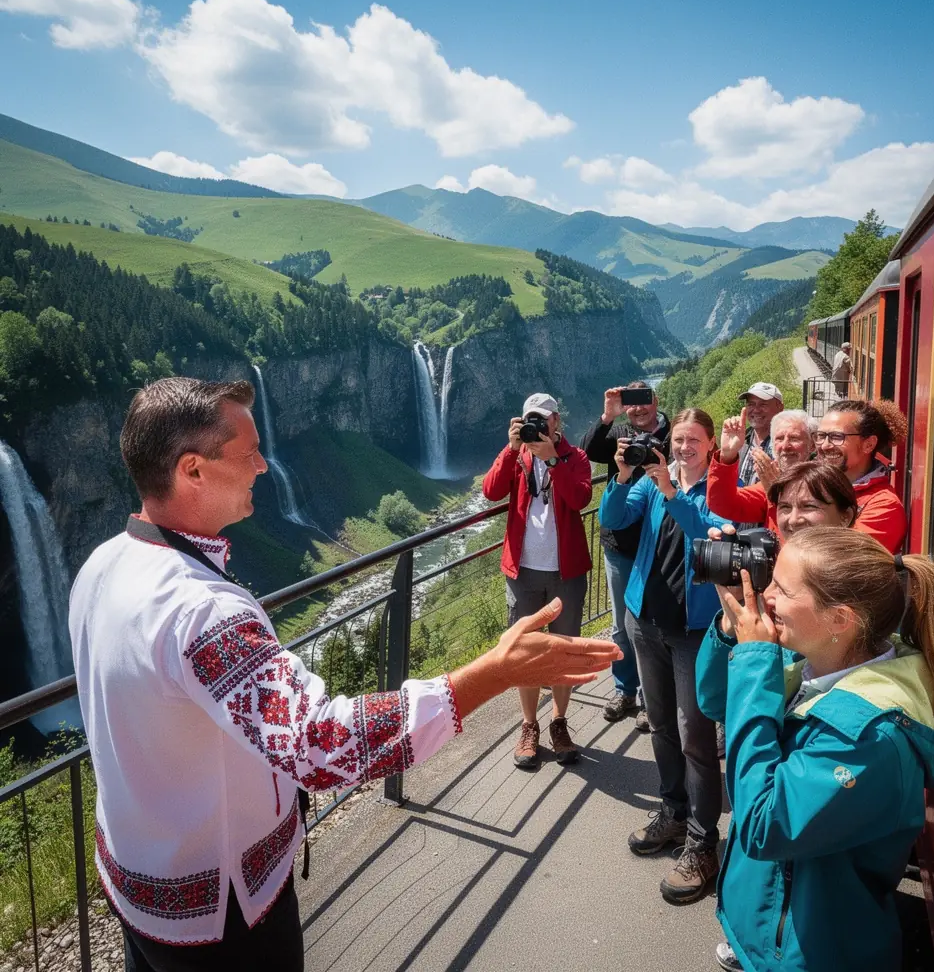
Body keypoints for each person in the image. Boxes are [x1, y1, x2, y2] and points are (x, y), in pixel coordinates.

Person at [69, 378, 620, 971]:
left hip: (137, 887)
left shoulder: (102, 564)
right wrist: (493, 672)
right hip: (225, 916)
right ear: (192, 470)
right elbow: (319, 745)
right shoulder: (202, 612)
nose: (263, 464)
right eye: (248, 452)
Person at [695, 527, 934, 971]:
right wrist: (733, 631)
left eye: (781, 589)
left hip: (813, 951)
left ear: (840, 619)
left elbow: (765, 825)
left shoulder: (871, 737)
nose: (765, 594)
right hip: (773, 923)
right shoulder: (808, 660)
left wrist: (755, 664)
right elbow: (716, 702)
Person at [599, 409, 727, 905]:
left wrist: (673, 493)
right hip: (645, 621)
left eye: (693, 441)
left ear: (710, 444)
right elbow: (614, 519)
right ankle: (673, 812)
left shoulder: (722, 487)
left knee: (696, 736)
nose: (683, 449)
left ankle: (703, 841)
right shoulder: (653, 482)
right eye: (677, 440)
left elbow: (710, 531)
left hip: (694, 631)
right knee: (660, 724)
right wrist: (624, 475)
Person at [482, 392, 594, 770]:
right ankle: (528, 726)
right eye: (531, 419)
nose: (538, 426)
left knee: (563, 650)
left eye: (543, 420)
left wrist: (552, 459)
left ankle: (559, 723)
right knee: (525, 651)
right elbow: (490, 491)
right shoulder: (517, 457)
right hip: (524, 571)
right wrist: (511, 448)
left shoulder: (575, 457)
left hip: (566, 572)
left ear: (556, 422)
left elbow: (579, 498)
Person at [581, 381, 670, 730]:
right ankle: (625, 689)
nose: (638, 410)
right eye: (631, 405)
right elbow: (588, 449)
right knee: (621, 627)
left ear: (656, 400)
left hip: (660, 545)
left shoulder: (672, 433)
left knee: (653, 625)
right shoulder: (618, 433)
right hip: (619, 546)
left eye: (643, 401)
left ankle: (652, 697)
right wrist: (607, 415)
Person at [814, 398, 908, 553]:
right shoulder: (813, 479)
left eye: (837, 437)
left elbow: (838, 560)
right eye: (821, 436)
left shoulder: (883, 506)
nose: (824, 445)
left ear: (868, 444)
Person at [707, 408, 815, 533]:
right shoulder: (769, 484)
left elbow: (800, 534)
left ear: (812, 445)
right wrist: (727, 456)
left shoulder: (822, 484)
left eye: (794, 438)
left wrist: (778, 494)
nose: (785, 446)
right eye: (779, 438)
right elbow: (722, 503)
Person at [736, 382, 785, 488]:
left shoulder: (786, 444)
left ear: (780, 407)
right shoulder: (740, 442)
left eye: (763, 404)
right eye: (751, 404)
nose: (756, 410)